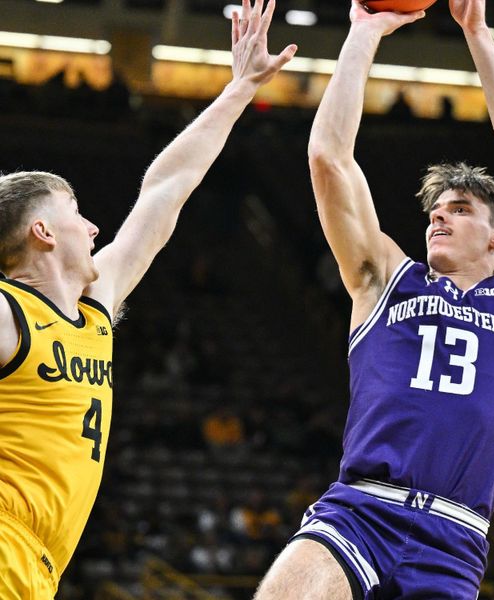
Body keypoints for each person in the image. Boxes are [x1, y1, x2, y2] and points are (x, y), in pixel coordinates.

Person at [255, 0, 494, 597]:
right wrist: (364, 31)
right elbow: (328, 158)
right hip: (359, 513)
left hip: (454, 536)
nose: (438, 219)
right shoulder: (384, 279)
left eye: (459, 210)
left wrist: (478, 35)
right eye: (434, 211)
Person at [0, 1, 295, 596]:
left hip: (36, 567)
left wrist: (239, 90)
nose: (94, 227)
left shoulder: (91, 308)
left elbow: (164, 191)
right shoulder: (8, 312)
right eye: (76, 213)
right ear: (42, 232)